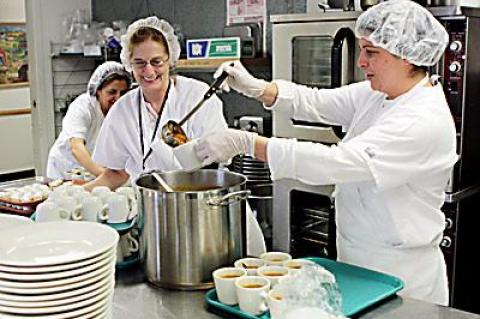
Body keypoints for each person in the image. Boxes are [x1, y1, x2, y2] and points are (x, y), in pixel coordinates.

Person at [195, 0, 457, 305]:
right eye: (361, 49)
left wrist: (248, 143)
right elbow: (317, 102)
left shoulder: (421, 119)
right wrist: (258, 88)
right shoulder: (380, 94)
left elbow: (335, 163)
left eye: (371, 52)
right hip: (357, 262)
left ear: (407, 57)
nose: (361, 62)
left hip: (402, 277)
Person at [84, 16, 228, 191]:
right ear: (130, 64)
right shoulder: (123, 109)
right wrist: (79, 193)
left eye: (156, 62)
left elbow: (220, 157)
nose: (149, 71)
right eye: (140, 63)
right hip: (149, 203)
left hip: (196, 199)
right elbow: (116, 173)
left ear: (170, 59)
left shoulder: (197, 96)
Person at [46, 61, 131, 180]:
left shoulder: (122, 111)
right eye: (112, 92)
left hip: (91, 169)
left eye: (123, 93)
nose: (118, 98)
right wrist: (106, 176)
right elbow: (76, 147)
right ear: (98, 90)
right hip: (65, 170)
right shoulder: (82, 107)